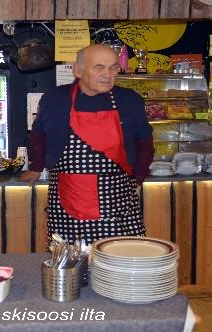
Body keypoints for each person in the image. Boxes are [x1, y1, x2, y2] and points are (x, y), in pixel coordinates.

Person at [21, 43, 154, 246]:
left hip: (117, 199)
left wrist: (139, 175)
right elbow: (38, 135)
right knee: (70, 262)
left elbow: (145, 142)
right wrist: (36, 167)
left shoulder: (129, 100)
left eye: (113, 67)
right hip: (67, 200)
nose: (107, 74)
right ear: (78, 70)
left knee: (121, 259)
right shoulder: (55, 99)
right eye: (99, 67)